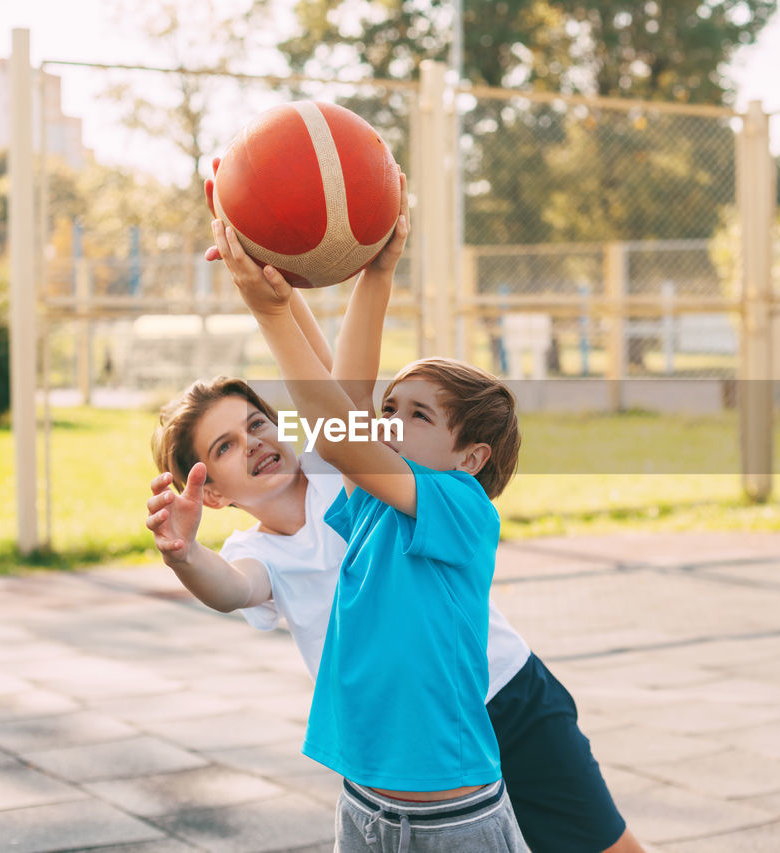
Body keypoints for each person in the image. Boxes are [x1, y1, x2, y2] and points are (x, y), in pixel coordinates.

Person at [146, 176, 643, 853]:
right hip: (400, 756)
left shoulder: (344, 477)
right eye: (225, 446)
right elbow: (234, 583)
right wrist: (184, 554)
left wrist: (288, 301)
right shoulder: (305, 524)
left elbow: (336, 401)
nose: (256, 442)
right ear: (215, 489)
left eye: (258, 422)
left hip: (504, 692)